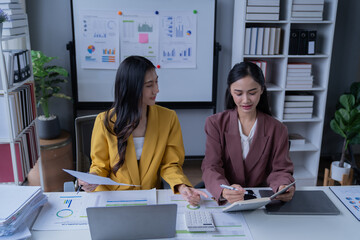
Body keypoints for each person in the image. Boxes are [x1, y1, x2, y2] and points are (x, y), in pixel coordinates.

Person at [78, 55, 207, 206]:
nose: (157, 90)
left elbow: (170, 164)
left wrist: (181, 186)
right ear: (131, 88)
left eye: (156, 82)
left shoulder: (168, 118)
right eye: (149, 85)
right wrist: (91, 179)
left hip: (151, 198)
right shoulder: (104, 121)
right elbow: (100, 165)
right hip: (113, 199)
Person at [201, 61, 295, 205]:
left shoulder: (278, 129)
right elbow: (211, 167)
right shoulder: (215, 123)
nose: (246, 100)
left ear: (262, 90)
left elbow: (281, 170)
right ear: (231, 91)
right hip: (227, 200)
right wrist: (223, 191)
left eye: (252, 93)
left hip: (261, 201)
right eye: (238, 93)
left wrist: (282, 186)